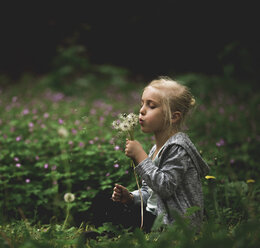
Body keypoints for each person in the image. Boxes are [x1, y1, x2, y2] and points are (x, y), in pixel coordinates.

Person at [88, 76, 210, 236]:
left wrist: (141, 157)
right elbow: (150, 191)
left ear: (173, 117)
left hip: (174, 223)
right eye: (142, 104)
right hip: (154, 215)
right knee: (104, 198)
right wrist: (131, 198)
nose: (142, 110)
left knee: (118, 213)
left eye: (151, 106)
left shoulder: (178, 149)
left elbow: (165, 188)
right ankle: (110, 232)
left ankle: (109, 235)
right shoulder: (155, 149)